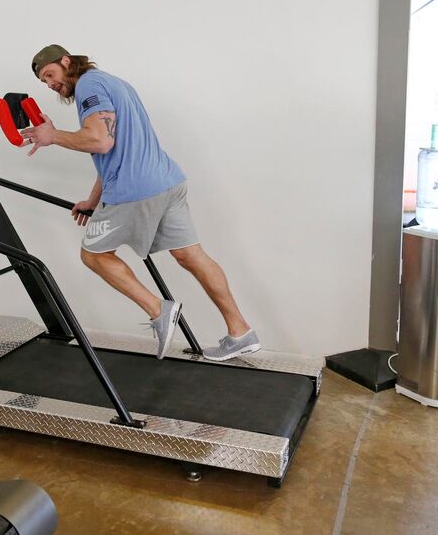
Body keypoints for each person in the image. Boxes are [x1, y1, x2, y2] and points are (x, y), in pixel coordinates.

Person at [21, 45, 260, 362]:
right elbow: (119, 149)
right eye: (44, 82)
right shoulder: (113, 83)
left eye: (50, 75)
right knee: (191, 255)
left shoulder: (89, 86)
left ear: (66, 62)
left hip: (137, 190)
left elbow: (100, 141)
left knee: (93, 256)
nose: (50, 84)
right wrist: (93, 200)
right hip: (167, 181)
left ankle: (159, 310)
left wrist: (53, 136)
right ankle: (241, 332)